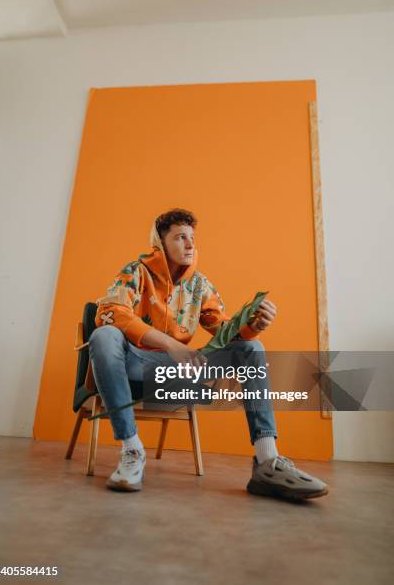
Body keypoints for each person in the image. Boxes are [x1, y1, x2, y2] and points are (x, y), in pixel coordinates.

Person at [89, 208, 328, 501]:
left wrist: (253, 326)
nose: (190, 245)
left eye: (192, 238)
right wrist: (170, 344)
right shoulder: (135, 272)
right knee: (103, 334)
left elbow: (226, 332)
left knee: (251, 348)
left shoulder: (200, 285)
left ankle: (267, 462)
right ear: (161, 243)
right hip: (136, 363)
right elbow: (110, 312)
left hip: (181, 370)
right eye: (180, 237)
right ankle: (132, 449)